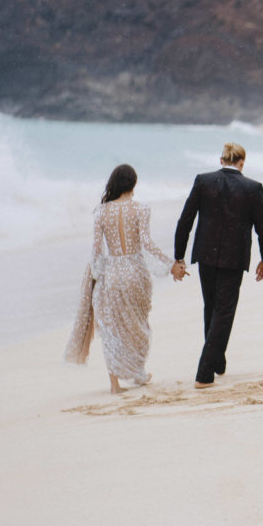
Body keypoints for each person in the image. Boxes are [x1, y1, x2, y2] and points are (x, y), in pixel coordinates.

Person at [64, 164, 175, 394]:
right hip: (136, 272)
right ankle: (138, 371)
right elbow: (147, 244)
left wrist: (95, 274)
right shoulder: (142, 209)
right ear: (133, 184)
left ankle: (114, 385)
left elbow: (96, 249)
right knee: (138, 325)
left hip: (112, 273)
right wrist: (170, 263)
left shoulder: (101, 211)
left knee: (112, 328)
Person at [174, 143, 263, 388]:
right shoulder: (252, 188)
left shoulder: (203, 181)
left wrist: (179, 257)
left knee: (212, 306)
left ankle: (216, 360)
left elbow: (185, 219)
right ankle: (204, 372)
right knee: (224, 310)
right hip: (234, 258)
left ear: (221, 160)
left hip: (205, 255)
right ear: (242, 163)